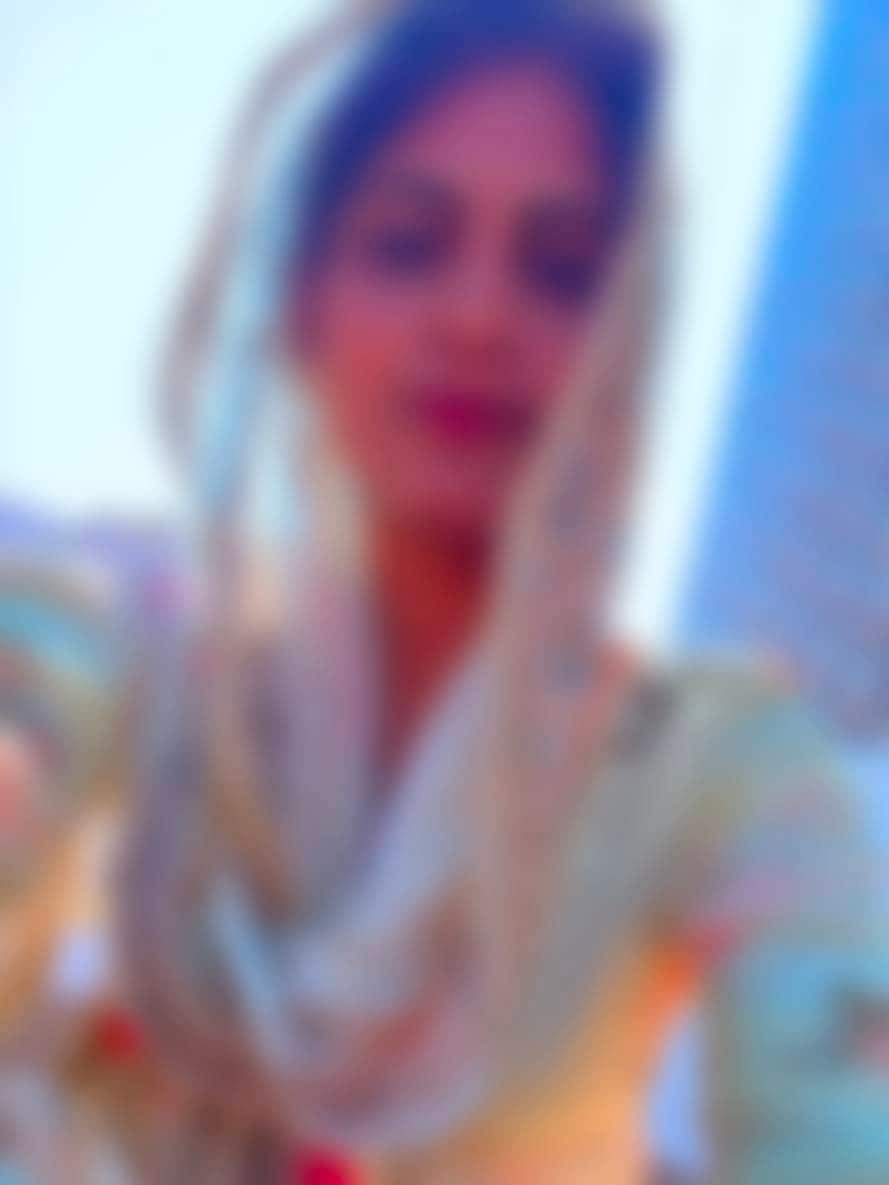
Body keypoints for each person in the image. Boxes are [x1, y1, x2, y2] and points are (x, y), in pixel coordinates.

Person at [3, 2, 888, 1182]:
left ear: (625, 345)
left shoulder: (718, 768)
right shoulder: (137, 640)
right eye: (408, 245)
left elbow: (834, 1123)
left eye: (561, 271)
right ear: (302, 306)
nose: (477, 317)